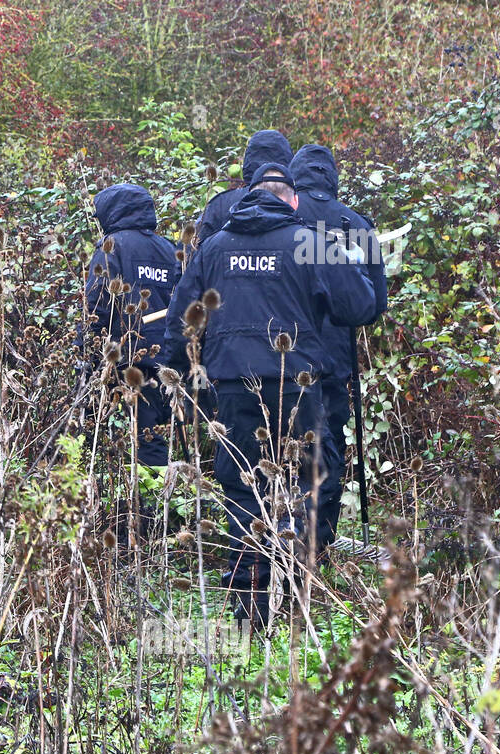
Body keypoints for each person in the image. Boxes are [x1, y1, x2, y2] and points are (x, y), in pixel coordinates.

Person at [165, 164, 376, 627]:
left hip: (235, 388)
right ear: (294, 201)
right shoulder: (311, 243)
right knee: (307, 483)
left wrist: (177, 374)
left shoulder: (215, 247)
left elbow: (183, 321)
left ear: (246, 196)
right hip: (299, 386)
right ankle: (300, 597)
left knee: (244, 489)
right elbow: (361, 307)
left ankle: (248, 614)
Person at [290, 144, 389, 552]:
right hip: (334, 358)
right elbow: (375, 305)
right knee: (328, 444)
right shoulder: (357, 224)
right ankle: (320, 543)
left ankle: (281, 533)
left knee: (279, 441)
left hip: (285, 354)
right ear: (332, 177)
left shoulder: (284, 216)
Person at [79, 182, 181, 467]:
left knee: (124, 440)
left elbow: (96, 305)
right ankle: (164, 501)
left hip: (125, 360)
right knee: (153, 435)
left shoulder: (112, 247)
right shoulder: (170, 249)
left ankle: (141, 506)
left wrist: (85, 353)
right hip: (166, 361)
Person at [195, 129, 293, 246]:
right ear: (288, 161)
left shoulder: (219, 204)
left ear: (247, 161)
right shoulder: (294, 201)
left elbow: (189, 253)